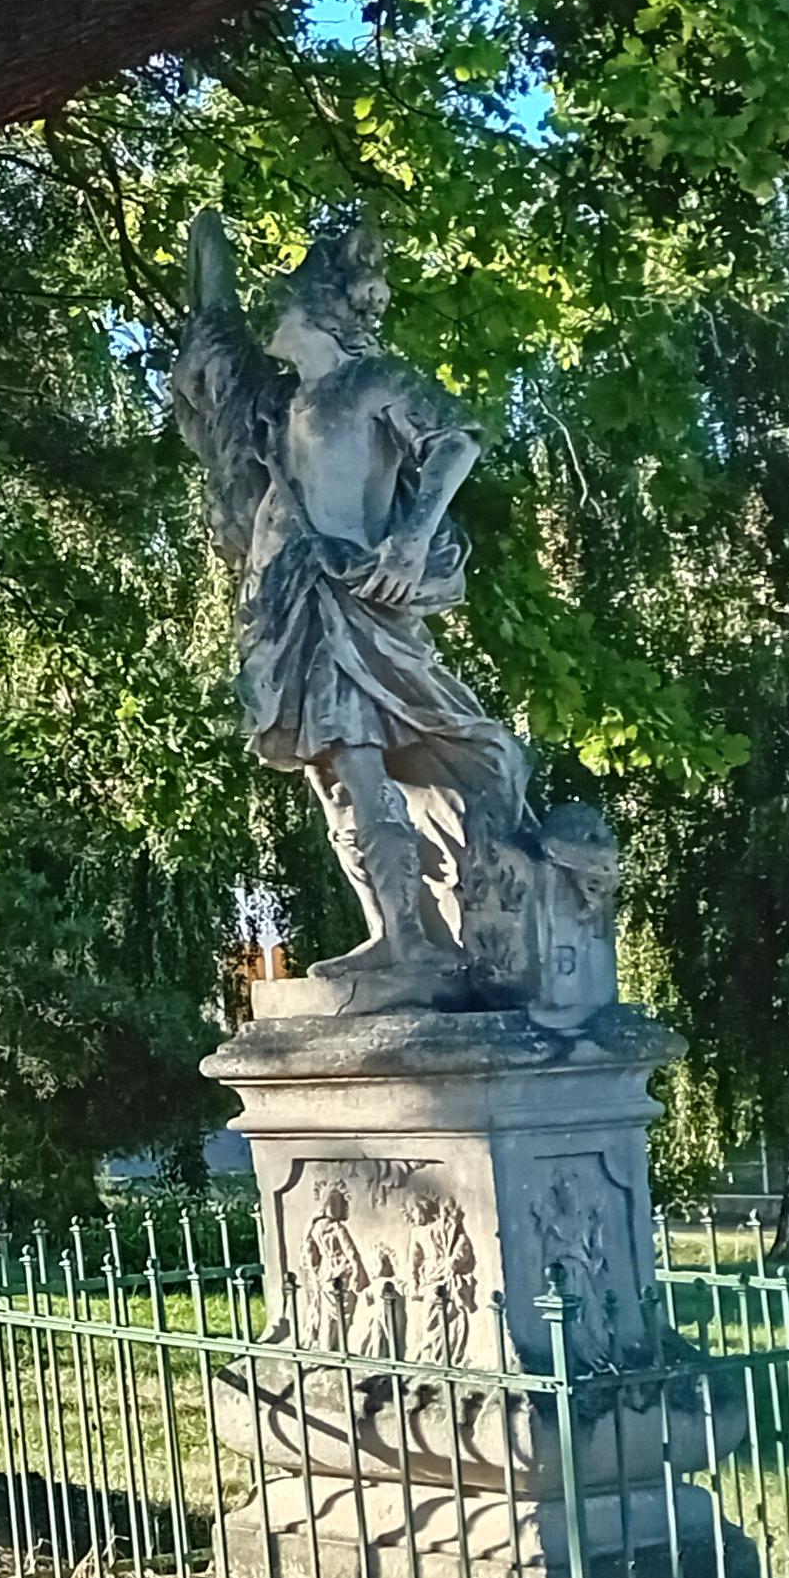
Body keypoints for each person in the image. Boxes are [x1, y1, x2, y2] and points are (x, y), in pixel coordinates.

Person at [173, 212, 534, 1008]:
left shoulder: (373, 381)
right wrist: (211, 278)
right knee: (333, 773)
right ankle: (389, 929)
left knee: (355, 753)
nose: (272, 317)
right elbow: (218, 365)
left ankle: (409, 937)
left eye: (282, 305)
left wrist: (409, 542)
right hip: (289, 601)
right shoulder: (285, 404)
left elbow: (456, 442)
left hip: (350, 599)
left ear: (317, 315)